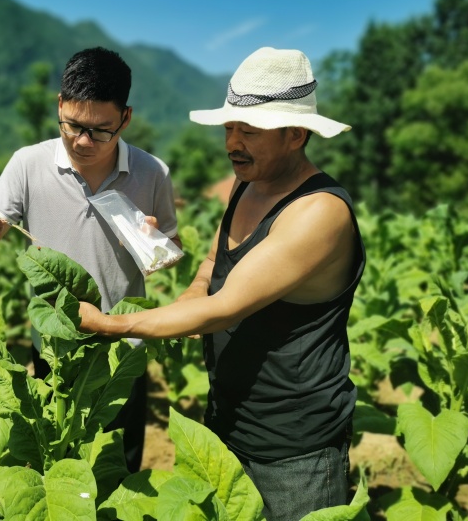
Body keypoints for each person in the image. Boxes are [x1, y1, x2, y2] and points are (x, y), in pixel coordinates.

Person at [78, 46, 366, 521]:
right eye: (229, 128)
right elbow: (212, 268)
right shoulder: (247, 183)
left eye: (249, 131)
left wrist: (110, 324)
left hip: (293, 445)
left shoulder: (319, 212)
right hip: (229, 421)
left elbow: (226, 307)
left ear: (296, 135)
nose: (233, 142)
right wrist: (179, 300)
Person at [0, 46, 181, 474]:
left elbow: (165, 255)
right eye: (73, 126)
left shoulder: (152, 172)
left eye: (101, 131)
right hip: (55, 349)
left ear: (126, 118)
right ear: (60, 105)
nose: (83, 142)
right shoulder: (27, 165)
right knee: (59, 468)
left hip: (123, 352)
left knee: (118, 471)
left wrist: (152, 244)